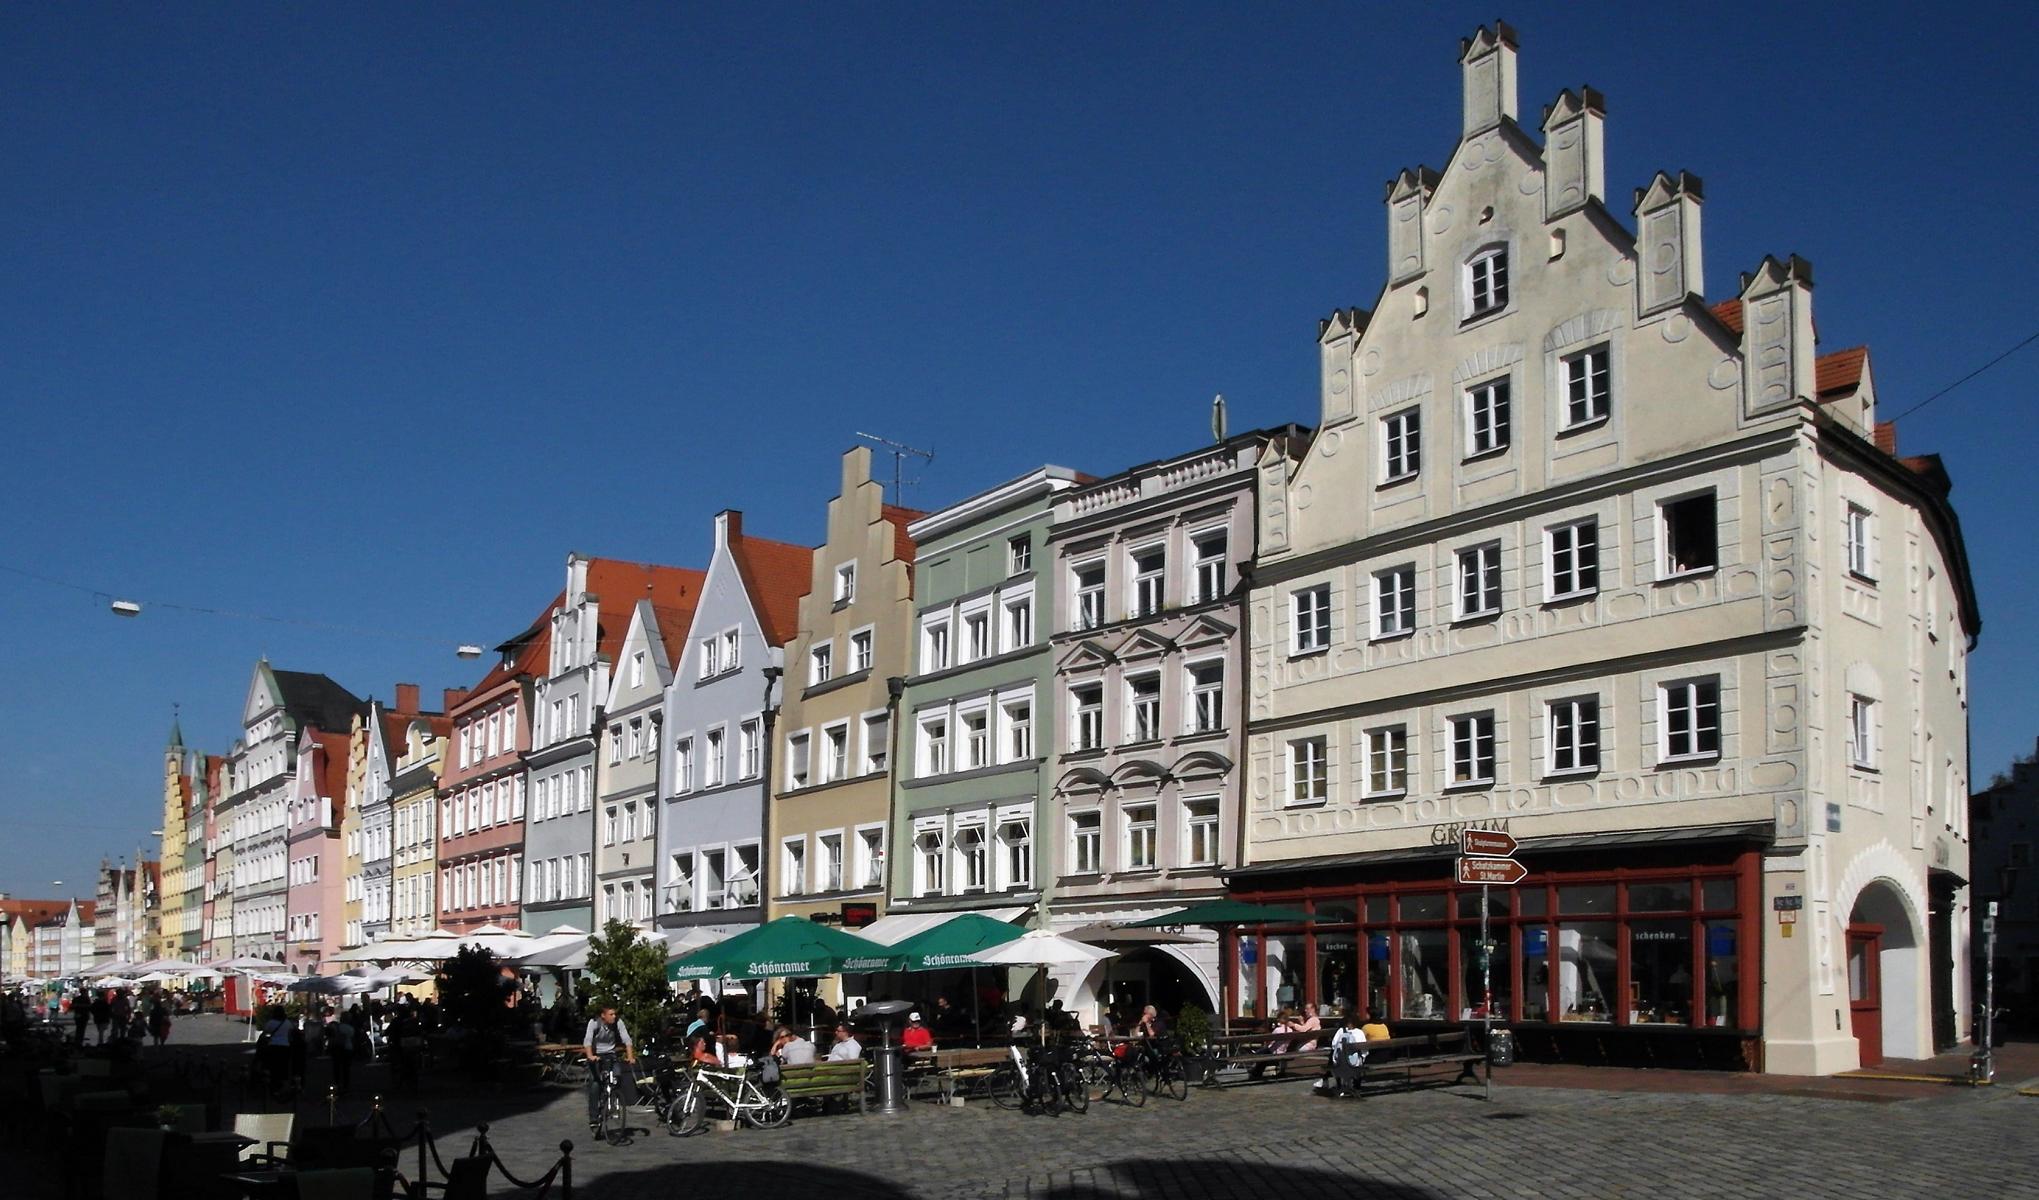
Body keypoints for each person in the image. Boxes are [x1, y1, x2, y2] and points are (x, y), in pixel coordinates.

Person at [581, 1004, 637, 1132]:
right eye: (611, 1014)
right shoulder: (594, 1023)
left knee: (617, 1077)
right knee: (595, 1085)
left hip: (611, 1055)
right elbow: (588, 1040)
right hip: (596, 1055)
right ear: (603, 1015)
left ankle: (613, 1098)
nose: (614, 1016)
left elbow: (627, 1040)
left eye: (615, 1014)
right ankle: (594, 1119)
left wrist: (630, 1057)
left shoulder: (618, 1022)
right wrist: (590, 1056)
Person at [1322, 1010, 1368, 1098]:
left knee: (1335, 1063)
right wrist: (1362, 1057)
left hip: (1340, 1062)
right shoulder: (1360, 1032)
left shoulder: (1341, 1031)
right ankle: (1356, 1087)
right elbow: (1364, 1049)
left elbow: (1334, 1045)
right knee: (1358, 1065)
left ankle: (1340, 1086)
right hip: (1355, 1062)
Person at [325, 1010, 356, 1094]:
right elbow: (352, 1038)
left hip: (337, 1048)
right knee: (346, 1068)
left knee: (337, 1067)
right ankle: (346, 1085)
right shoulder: (350, 1028)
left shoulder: (337, 1026)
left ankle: (337, 1083)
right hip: (347, 1048)